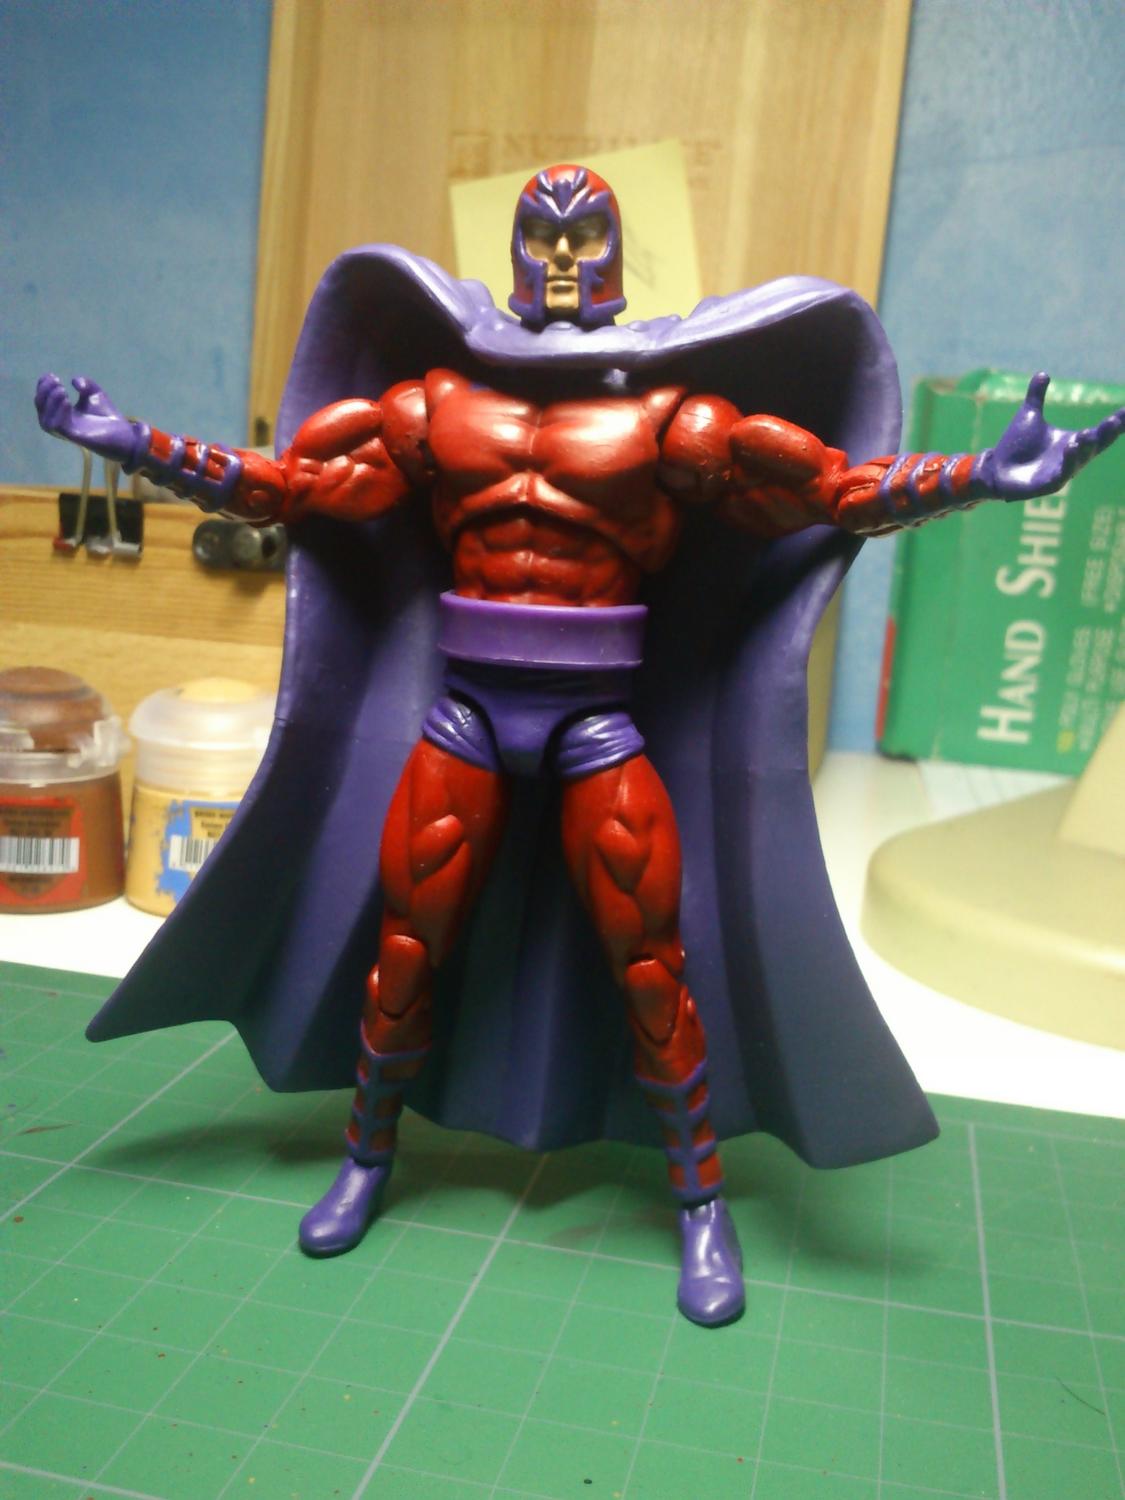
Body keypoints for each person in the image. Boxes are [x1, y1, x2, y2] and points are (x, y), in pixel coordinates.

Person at [37, 164, 1123, 1326]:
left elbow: (833, 491)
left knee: (649, 961)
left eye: (584, 234)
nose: (561, 260)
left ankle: (699, 1201)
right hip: (466, 708)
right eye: (541, 235)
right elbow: (290, 486)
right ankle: (365, 1155)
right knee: (406, 946)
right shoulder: (436, 407)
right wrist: (135, 444)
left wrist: (978, 479)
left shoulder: (670, 422)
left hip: (595, 717)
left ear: (614, 248)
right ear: (514, 250)